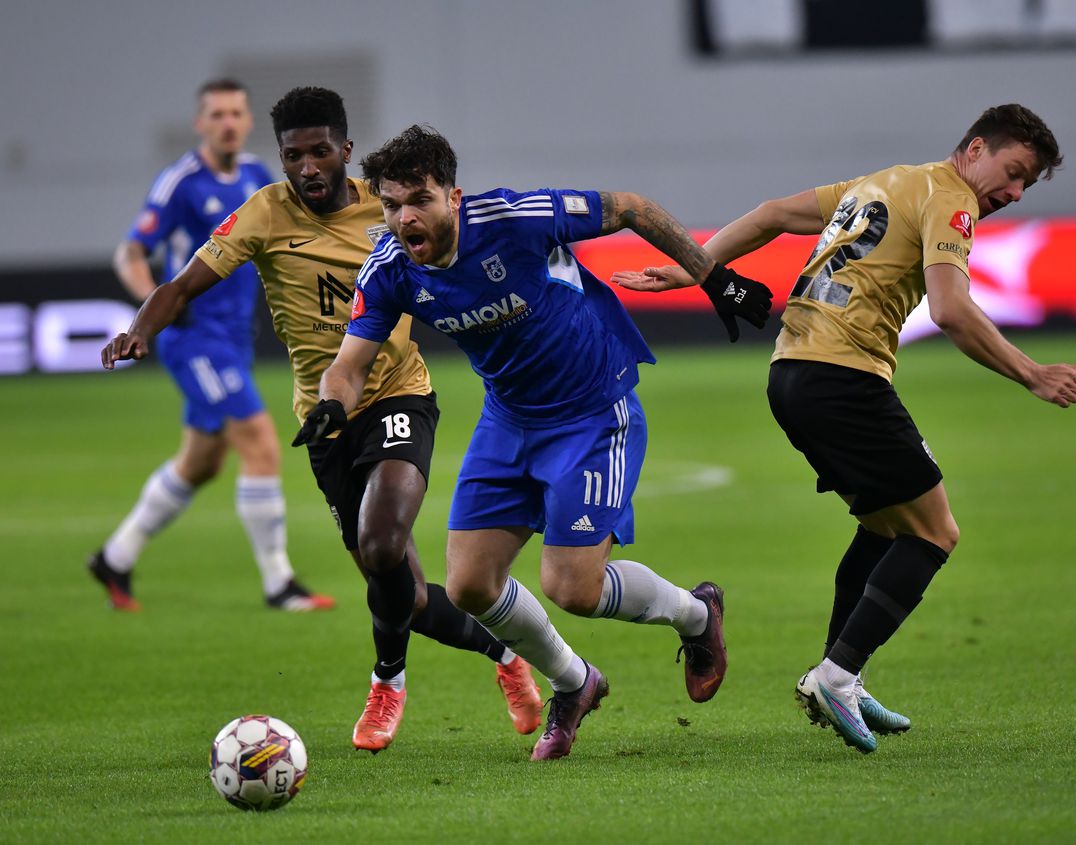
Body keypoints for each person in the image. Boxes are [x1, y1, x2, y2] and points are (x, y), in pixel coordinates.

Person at [615, 103, 1076, 754]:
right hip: (842, 378)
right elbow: (951, 309)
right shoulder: (951, 202)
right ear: (975, 147)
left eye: (1024, 186)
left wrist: (694, 266)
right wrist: (1031, 372)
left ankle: (846, 673)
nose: (1011, 193)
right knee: (934, 532)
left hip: (791, 374)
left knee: (884, 525)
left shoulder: (888, 182)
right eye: (1012, 172)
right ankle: (835, 675)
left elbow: (772, 214)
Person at [299, 125, 773, 761]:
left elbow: (632, 207)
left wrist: (712, 279)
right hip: (510, 419)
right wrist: (332, 404)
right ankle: (575, 684)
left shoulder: (516, 219)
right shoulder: (389, 268)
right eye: (390, 204)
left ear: (454, 197)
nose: (404, 216)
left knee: (573, 587)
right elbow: (349, 364)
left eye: (419, 199)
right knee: (468, 585)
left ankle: (696, 615)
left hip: (593, 411)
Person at [101, 87, 543, 752]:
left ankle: (387, 680)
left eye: (319, 151)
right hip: (324, 421)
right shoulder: (263, 213)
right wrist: (140, 328)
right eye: (293, 155)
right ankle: (508, 656)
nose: (307, 166)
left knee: (385, 534)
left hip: (397, 393)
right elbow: (183, 283)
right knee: (404, 591)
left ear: (345, 150)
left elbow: (462, 240)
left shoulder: (387, 205)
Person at [89, 78, 333, 613]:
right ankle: (279, 583)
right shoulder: (180, 183)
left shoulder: (255, 176)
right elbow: (130, 254)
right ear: (201, 122)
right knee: (261, 442)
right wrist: (158, 311)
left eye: (235, 113)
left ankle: (115, 556)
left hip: (232, 340)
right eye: (216, 113)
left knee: (200, 462)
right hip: (193, 340)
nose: (227, 122)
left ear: (247, 122)